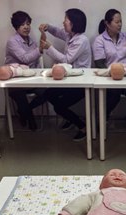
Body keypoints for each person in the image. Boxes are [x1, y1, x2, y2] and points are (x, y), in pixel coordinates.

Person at [39, 8, 92, 141]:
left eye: (66, 20)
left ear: (74, 23)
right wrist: (48, 27)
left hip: (81, 82)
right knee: (48, 94)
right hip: (69, 79)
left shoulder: (81, 40)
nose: (63, 22)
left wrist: (49, 48)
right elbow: (57, 32)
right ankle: (70, 118)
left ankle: (83, 127)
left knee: (59, 106)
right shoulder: (70, 35)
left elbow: (67, 60)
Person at [5, 11, 44, 131]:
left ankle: (25, 111)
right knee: (20, 94)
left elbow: (36, 61)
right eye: (22, 24)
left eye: (28, 23)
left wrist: (39, 73)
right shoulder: (12, 41)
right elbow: (25, 59)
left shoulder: (31, 41)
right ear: (16, 27)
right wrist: (40, 49)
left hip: (31, 78)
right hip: (15, 79)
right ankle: (30, 118)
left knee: (47, 92)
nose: (26, 27)